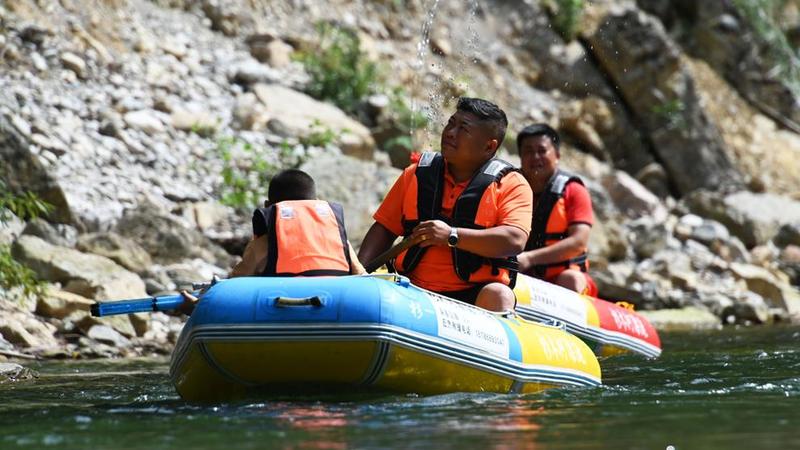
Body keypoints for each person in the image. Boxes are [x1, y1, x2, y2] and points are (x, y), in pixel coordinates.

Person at [358, 97, 532, 312]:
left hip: (471, 294)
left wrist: (451, 236)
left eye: (463, 129)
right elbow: (384, 229)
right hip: (408, 285)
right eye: (451, 123)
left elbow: (514, 240)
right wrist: (358, 274)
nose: (450, 132)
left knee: (499, 295)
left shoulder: (512, 184)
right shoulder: (416, 173)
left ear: (489, 146)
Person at [180, 169, 365, 313]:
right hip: (335, 309)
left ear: (269, 207)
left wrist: (199, 304)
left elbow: (231, 289)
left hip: (280, 310)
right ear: (315, 202)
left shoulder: (263, 244)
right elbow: (363, 278)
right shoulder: (340, 242)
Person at [515, 124, 598, 296]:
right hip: (520, 273)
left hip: (565, 276)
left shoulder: (574, 190)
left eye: (542, 150)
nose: (535, 156)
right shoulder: (510, 186)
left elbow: (579, 242)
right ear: (520, 157)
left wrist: (529, 258)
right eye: (528, 151)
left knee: (570, 279)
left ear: (557, 155)